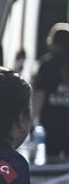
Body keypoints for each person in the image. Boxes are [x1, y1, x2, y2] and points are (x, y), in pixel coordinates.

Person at [32, 22, 69, 161]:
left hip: (52, 122)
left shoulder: (47, 65)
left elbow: (40, 96)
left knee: (52, 161)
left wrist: (30, 121)